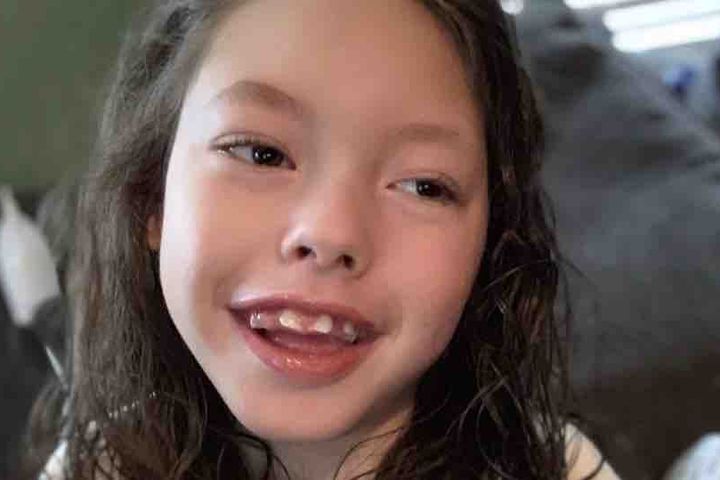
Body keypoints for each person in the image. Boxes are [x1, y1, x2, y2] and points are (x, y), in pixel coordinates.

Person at [22, 0, 621, 478]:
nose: (331, 233)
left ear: (490, 246)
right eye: (261, 153)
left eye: (423, 186)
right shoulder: (97, 465)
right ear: (153, 198)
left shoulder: (555, 467)